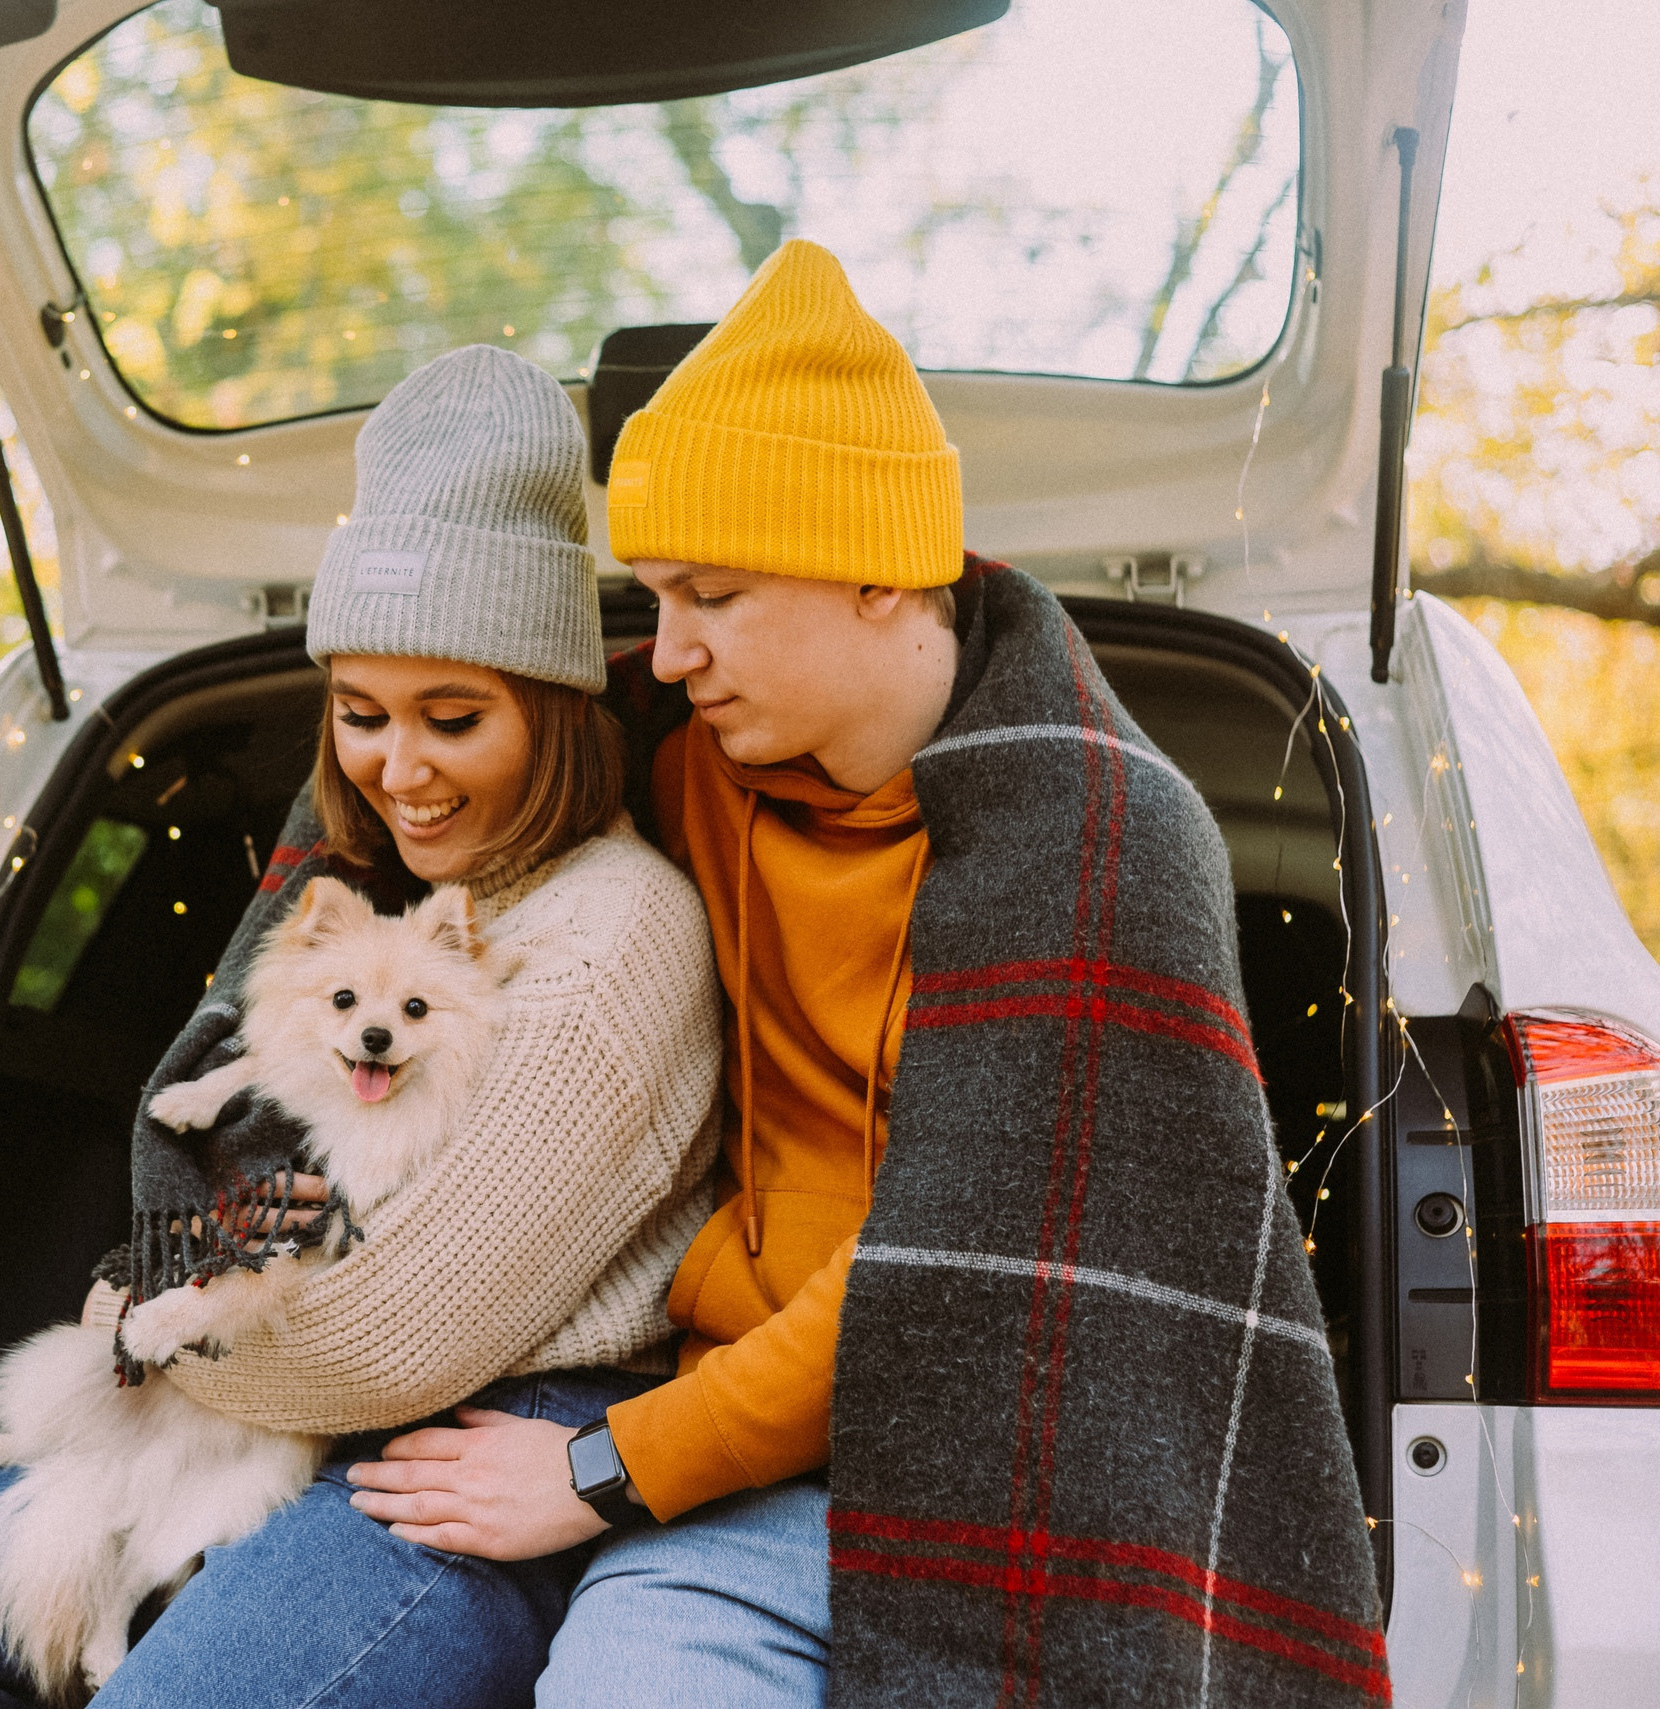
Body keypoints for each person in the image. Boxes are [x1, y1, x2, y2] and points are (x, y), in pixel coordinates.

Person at [352, 242, 1381, 1708]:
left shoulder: (1104, 833)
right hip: (736, 1436)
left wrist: (601, 1467)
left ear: (886, 576)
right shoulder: (688, 749)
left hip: (1024, 1468)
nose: (672, 645)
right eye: (654, 592)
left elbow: (935, 1267)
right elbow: (430, 764)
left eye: (712, 591)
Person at [0, 343, 725, 1709]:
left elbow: (398, 1332)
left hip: (481, 1443)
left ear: (554, 707)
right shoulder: (366, 902)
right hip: (234, 1408)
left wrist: (146, 1325)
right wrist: (160, 1322)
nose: (400, 767)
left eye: (454, 716)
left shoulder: (621, 930)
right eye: (362, 714)